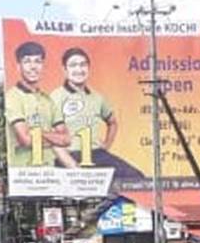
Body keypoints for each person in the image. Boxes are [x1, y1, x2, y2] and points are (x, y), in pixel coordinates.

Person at [49, 47, 143, 180]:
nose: (79, 69)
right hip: (70, 156)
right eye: (73, 65)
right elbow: (53, 142)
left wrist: (106, 145)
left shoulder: (97, 97)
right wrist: (75, 169)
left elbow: (112, 122)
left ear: (88, 68)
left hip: (96, 154)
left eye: (83, 65)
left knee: (137, 178)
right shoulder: (56, 97)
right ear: (65, 70)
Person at [4, 41, 78, 169]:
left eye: (37, 61)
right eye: (27, 61)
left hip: (49, 172)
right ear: (18, 66)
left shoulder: (48, 101)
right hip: (24, 174)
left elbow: (66, 139)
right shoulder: (12, 97)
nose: (33, 67)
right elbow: (26, 140)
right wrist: (54, 138)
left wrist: (38, 133)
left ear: (43, 66)